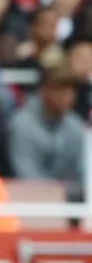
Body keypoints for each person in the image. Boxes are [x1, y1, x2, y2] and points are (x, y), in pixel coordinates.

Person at [7, 66, 86, 202]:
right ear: (42, 90)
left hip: (68, 201)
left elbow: (80, 174)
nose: (66, 95)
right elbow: (26, 173)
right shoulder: (22, 122)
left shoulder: (75, 125)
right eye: (59, 89)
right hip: (27, 200)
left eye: (70, 89)